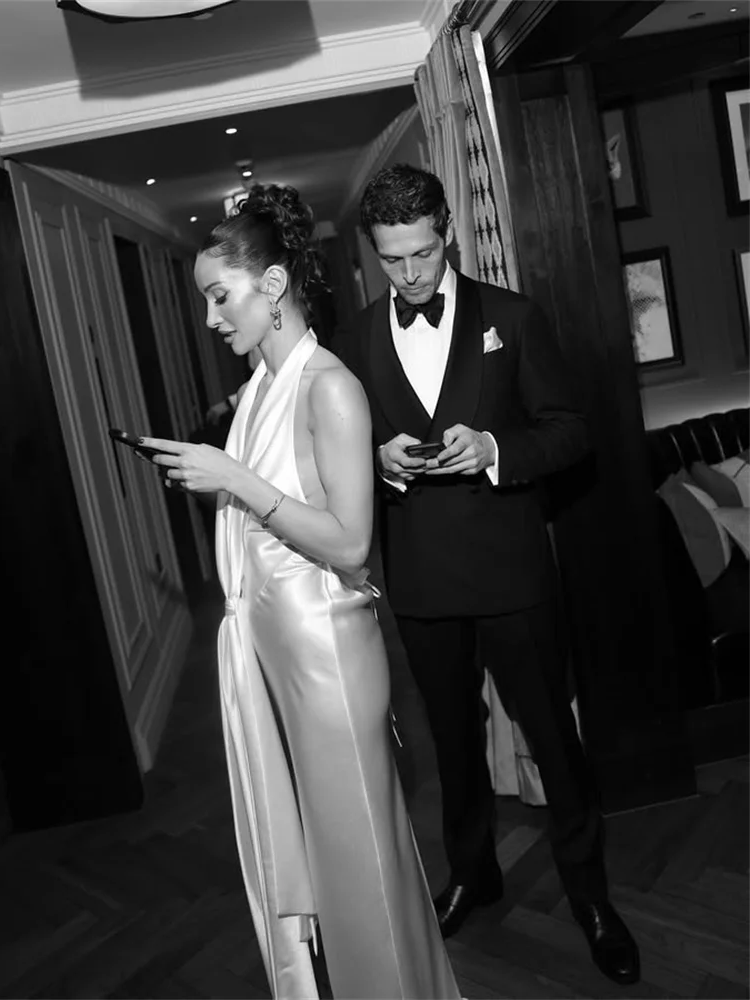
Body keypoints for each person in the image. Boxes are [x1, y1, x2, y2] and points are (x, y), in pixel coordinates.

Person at [139, 184, 461, 1000]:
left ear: (273, 285)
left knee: (363, 871)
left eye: (221, 296)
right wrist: (222, 478)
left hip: (329, 661)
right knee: (327, 860)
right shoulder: (255, 394)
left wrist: (234, 479)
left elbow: (351, 544)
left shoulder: (330, 388)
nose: (211, 318)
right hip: (279, 657)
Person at [332, 163, 640, 986]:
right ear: (373, 252)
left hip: (512, 572)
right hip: (422, 578)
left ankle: (591, 897)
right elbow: (329, 460)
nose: (410, 273)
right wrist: (377, 460)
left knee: (553, 739)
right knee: (453, 743)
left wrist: (497, 449)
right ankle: (474, 873)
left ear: (449, 235)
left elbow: (571, 431)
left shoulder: (512, 317)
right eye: (392, 258)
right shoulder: (352, 342)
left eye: (423, 253)